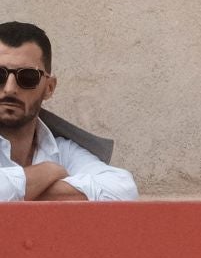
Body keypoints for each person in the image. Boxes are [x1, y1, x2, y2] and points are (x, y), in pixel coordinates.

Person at [0, 22, 137, 202]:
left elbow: (123, 190)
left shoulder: (60, 150)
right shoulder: (55, 164)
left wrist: (22, 192)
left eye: (27, 77)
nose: (10, 89)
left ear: (49, 88)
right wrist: (48, 171)